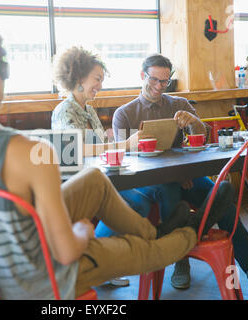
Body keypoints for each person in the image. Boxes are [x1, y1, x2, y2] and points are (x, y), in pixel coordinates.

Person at [0, 27, 229, 299]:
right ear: (1, 74)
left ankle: (156, 230)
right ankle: (184, 232)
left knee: (94, 182)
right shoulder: (27, 152)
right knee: (142, 251)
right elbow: (66, 250)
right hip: (39, 280)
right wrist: (82, 231)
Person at [112, 53, 248, 300]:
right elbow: (124, 160)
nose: (159, 86)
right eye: (155, 80)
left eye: (165, 81)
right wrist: (173, 174)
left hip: (187, 178)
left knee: (222, 195)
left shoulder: (177, 104)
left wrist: (193, 122)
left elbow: (203, 139)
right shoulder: (124, 114)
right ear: (142, 76)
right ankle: (182, 258)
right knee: (186, 193)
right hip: (153, 184)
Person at [51, 46, 151, 287]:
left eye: (102, 80)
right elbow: (75, 149)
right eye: (97, 79)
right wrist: (125, 144)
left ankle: (99, 263)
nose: (100, 85)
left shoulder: (89, 110)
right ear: (79, 79)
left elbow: (103, 145)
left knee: (143, 200)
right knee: (136, 202)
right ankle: (95, 262)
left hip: (98, 178)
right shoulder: (64, 111)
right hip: (74, 184)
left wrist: (125, 146)